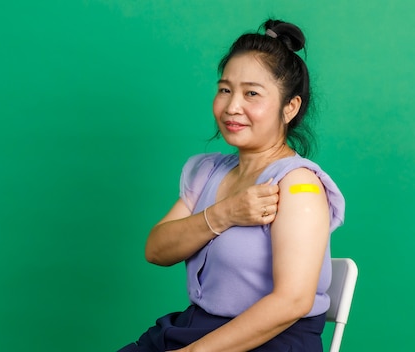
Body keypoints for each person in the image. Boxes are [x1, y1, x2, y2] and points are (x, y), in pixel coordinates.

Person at [119, 19, 345, 352]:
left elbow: (293, 301)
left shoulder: (299, 186)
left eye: (251, 93)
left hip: (269, 340)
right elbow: (156, 249)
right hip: (197, 327)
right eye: (225, 90)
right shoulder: (208, 171)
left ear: (290, 107)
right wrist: (226, 213)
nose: (232, 107)